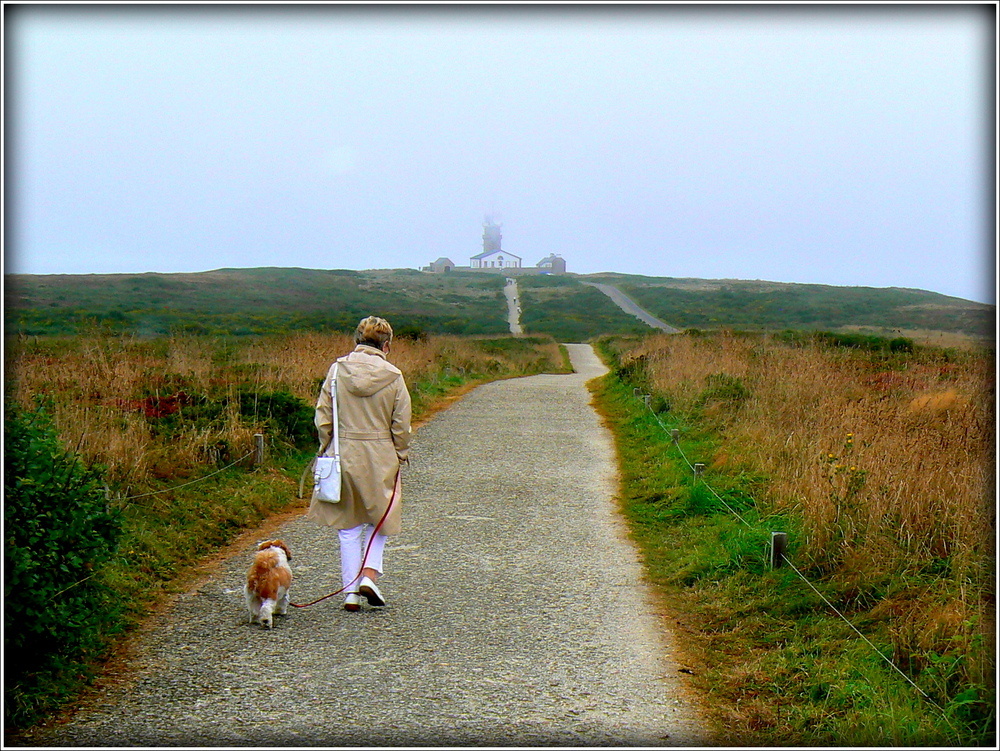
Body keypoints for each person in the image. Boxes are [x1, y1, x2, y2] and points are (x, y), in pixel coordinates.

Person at [307, 316, 412, 611]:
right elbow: (401, 424)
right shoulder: (394, 375)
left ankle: (351, 592)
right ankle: (369, 575)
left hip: (343, 450)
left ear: (356, 340)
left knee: (348, 526)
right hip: (381, 453)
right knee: (382, 518)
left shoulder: (337, 370)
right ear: (387, 345)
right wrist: (400, 454)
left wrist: (326, 446)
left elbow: (323, 416)